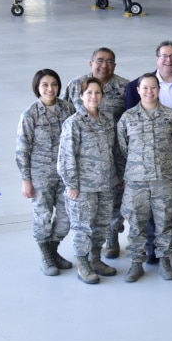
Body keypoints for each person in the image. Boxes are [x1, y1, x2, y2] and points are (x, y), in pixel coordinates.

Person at [125, 40, 172, 263]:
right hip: (148, 159)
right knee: (151, 205)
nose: (168, 60)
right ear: (156, 59)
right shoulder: (136, 86)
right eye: (164, 56)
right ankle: (152, 249)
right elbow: (128, 128)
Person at [115, 73, 172, 282]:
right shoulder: (127, 118)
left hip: (164, 180)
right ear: (138, 90)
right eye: (145, 88)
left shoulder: (170, 116)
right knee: (136, 223)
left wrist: (162, 164)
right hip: (136, 182)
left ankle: (165, 261)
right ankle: (136, 263)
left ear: (158, 89)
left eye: (153, 88)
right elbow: (122, 148)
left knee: (165, 222)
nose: (149, 92)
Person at [63, 47, 129, 260]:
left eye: (109, 61)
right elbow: (65, 117)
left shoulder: (124, 88)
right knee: (86, 210)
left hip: (113, 155)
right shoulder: (75, 86)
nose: (104, 65)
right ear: (90, 63)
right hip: (83, 157)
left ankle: (112, 236)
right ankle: (85, 255)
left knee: (113, 202)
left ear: (115, 65)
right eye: (99, 60)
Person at [57, 77, 123, 284]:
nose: (94, 96)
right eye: (89, 93)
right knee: (82, 226)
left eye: (97, 93)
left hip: (106, 183)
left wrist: (118, 176)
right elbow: (66, 157)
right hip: (83, 187)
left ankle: (95, 259)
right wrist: (72, 185)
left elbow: (114, 150)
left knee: (102, 224)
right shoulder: (74, 123)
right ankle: (83, 264)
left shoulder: (107, 119)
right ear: (81, 96)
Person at [16, 69, 76, 276]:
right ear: (37, 88)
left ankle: (52, 250)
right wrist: (26, 180)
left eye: (54, 84)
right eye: (45, 85)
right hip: (40, 174)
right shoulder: (30, 114)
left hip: (65, 174)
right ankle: (46, 257)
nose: (50, 89)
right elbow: (22, 149)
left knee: (67, 216)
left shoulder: (68, 109)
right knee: (42, 216)